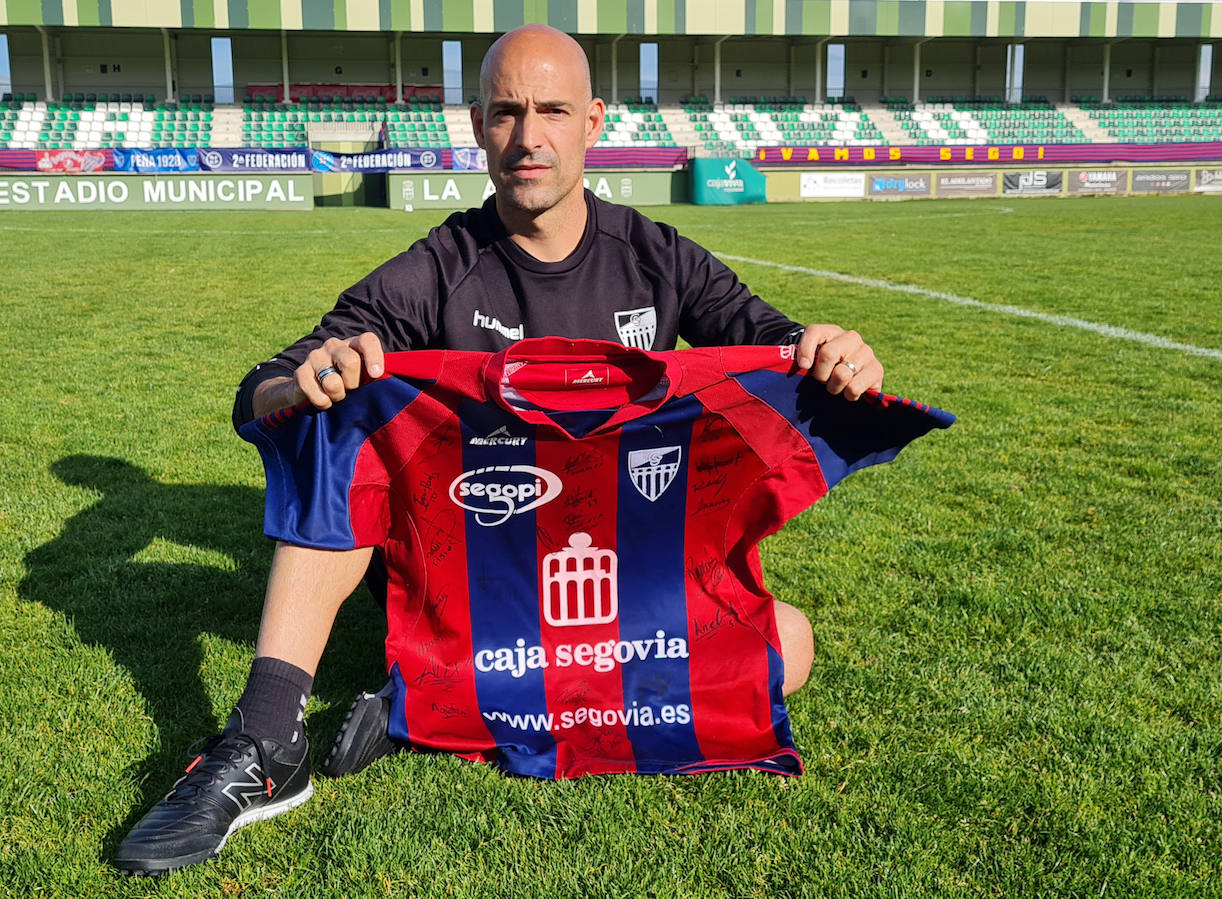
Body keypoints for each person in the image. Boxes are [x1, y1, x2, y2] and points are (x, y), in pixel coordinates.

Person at [114, 24, 884, 876]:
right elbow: (266, 383)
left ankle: (426, 701)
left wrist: (831, 352)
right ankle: (266, 737)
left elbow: (777, 348)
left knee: (792, 645)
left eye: (552, 110)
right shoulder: (443, 263)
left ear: (593, 121)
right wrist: (302, 383)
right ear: (479, 124)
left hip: (614, 581)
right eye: (508, 112)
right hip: (469, 574)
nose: (530, 137)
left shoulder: (660, 259)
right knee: (339, 412)